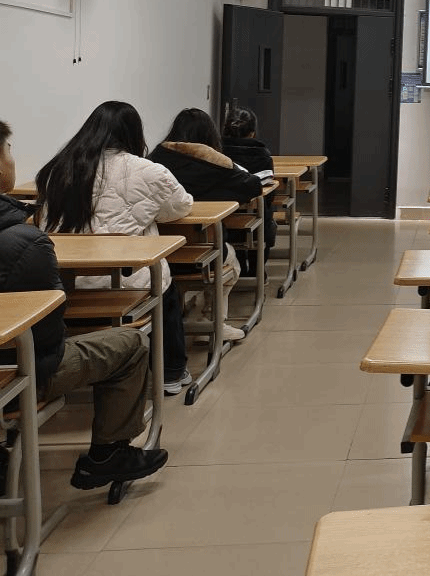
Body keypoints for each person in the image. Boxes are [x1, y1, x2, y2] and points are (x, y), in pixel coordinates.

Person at [0, 120, 169, 490]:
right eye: (8, 150)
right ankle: (108, 454)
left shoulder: (56, 172)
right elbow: (48, 339)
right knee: (131, 344)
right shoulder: (25, 241)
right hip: (13, 373)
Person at [35, 101, 194, 397]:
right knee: (166, 286)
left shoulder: (59, 168)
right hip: (124, 279)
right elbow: (181, 206)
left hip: (64, 280)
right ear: (134, 134)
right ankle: (171, 371)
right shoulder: (148, 171)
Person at [148, 108, 264, 343]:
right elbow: (253, 186)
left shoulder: (154, 160)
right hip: (202, 253)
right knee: (231, 261)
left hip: (157, 254)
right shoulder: (215, 164)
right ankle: (211, 321)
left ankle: (180, 316)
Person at [221, 103, 276, 276]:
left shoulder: (216, 153)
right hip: (255, 222)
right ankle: (257, 270)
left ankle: (240, 266)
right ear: (252, 132)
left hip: (222, 220)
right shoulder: (263, 155)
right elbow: (269, 195)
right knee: (265, 212)